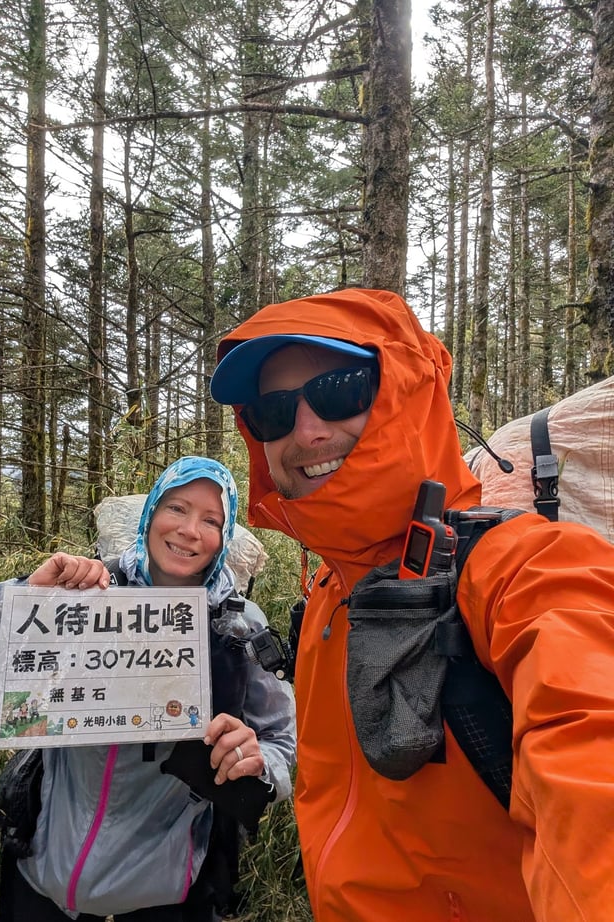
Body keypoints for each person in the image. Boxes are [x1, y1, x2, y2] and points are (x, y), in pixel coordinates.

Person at [209, 287, 614, 922]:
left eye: (341, 391)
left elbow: (593, 766)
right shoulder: (327, 595)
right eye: (273, 412)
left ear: (409, 393)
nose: (306, 430)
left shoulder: (526, 568)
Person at [0, 456, 296, 922]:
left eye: (211, 520)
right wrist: (25, 597)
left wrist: (256, 760)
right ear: (151, 513)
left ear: (224, 535)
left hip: (168, 893)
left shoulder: (240, 626)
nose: (190, 530)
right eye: (176, 508)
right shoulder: (83, 598)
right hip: (41, 874)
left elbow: (281, 741)